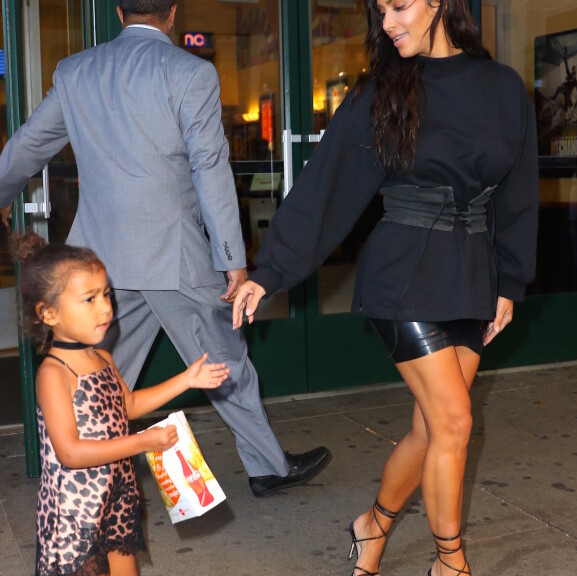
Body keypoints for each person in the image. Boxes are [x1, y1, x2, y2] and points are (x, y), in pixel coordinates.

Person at [232, 1, 538, 576]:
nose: (388, 22)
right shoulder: (387, 89)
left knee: (430, 428)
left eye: (400, 6)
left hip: (471, 275)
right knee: (454, 421)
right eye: (381, 10)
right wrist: (269, 271)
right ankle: (450, 565)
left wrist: (510, 280)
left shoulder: (502, 87)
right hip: (404, 270)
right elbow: (328, 185)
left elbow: (517, 193)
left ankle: (372, 526)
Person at [0, 0, 330, 498]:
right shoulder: (190, 73)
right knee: (225, 358)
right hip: (175, 256)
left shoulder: (75, 72)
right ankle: (268, 468)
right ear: (172, 14)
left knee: (92, 371)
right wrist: (232, 260)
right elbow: (210, 169)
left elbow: (28, 146)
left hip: (98, 262)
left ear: (118, 13)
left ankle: (72, 470)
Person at [11, 231, 230, 576]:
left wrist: (186, 379)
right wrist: (142, 442)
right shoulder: (55, 374)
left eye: (106, 295)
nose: (105, 307)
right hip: (75, 511)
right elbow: (70, 452)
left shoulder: (103, 358)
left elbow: (127, 405)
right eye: (89, 299)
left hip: (117, 496)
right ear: (48, 313)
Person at [551, 46, 577, 112]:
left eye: (575, 70)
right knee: (559, 88)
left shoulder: (576, 81)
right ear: (572, 70)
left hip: (568, 93)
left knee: (567, 103)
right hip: (565, 89)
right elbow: (566, 64)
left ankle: (568, 106)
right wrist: (565, 53)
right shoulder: (569, 74)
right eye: (574, 70)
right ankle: (554, 99)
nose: (574, 71)